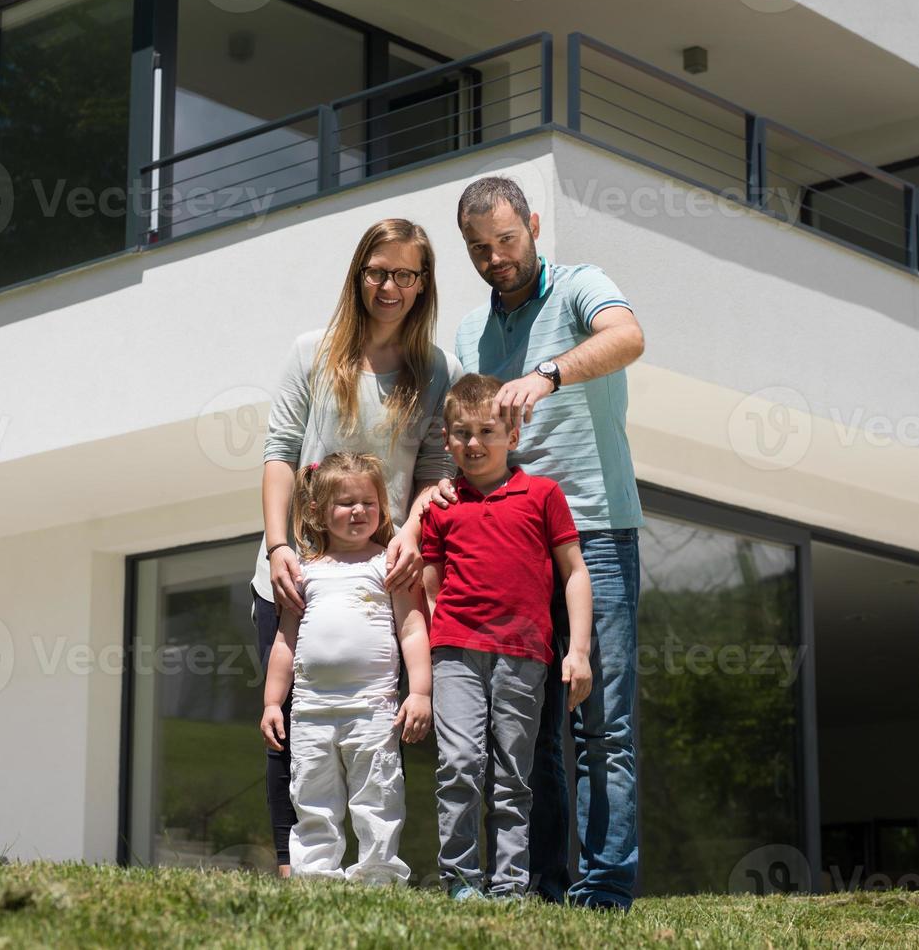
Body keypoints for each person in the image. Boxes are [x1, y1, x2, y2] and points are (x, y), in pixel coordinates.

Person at [451, 177, 647, 910]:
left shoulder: (579, 287)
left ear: (532, 225)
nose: (496, 258)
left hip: (594, 530)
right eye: (479, 250)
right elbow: (470, 429)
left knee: (601, 722)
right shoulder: (471, 331)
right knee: (526, 730)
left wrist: (549, 373)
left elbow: (627, 336)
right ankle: (540, 881)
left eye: (506, 240)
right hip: (513, 543)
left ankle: (605, 887)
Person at [250, 218, 460, 876]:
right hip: (297, 571)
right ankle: (295, 868)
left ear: (422, 285)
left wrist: (412, 537)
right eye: (378, 271)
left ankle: (374, 864)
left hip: (378, 579)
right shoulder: (312, 351)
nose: (389, 286)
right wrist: (279, 544)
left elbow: (432, 477)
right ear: (358, 274)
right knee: (290, 720)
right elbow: (279, 454)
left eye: (405, 274)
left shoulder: (432, 370)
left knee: (372, 729)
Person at [420, 373, 593, 900]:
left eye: (486, 431)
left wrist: (578, 651)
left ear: (512, 436)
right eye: (461, 433)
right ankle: (460, 880)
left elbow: (575, 572)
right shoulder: (442, 507)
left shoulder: (543, 495)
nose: (474, 443)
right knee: (459, 764)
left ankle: (511, 886)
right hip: (456, 655)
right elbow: (430, 586)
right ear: (447, 439)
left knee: (515, 774)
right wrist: (438, 644)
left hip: (525, 654)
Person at [260, 452, 432, 882]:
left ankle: (378, 874)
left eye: (368, 502)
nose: (359, 511)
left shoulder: (389, 564)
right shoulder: (304, 572)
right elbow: (285, 641)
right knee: (312, 795)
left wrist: (420, 692)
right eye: (346, 503)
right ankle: (315, 874)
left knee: (377, 796)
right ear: (317, 510)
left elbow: (412, 629)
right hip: (311, 710)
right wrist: (272, 703)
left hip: (373, 708)